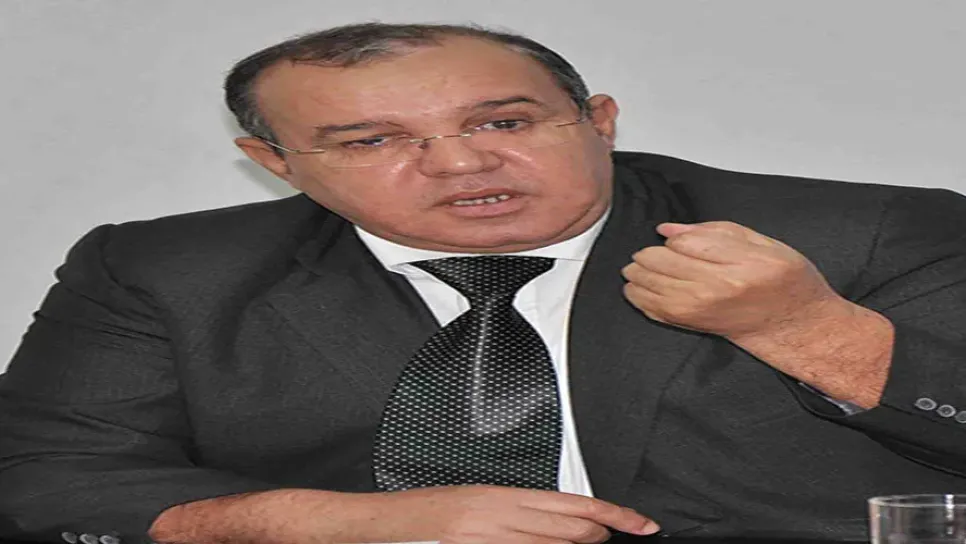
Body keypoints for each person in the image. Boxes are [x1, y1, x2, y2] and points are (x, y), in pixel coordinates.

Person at [1, 21, 965, 544]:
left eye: (503, 123)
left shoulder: (863, 231)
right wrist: (339, 526)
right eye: (371, 141)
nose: (461, 164)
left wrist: (808, 328)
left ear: (597, 120)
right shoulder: (164, 272)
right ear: (277, 164)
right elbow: (43, 476)